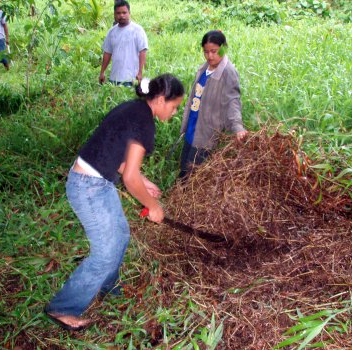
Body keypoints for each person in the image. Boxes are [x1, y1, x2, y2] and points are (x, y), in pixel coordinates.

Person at [45, 74, 184, 331]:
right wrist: (153, 207)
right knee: (105, 253)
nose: (174, 113)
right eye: (174, 107)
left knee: (120, 234)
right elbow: (129, 178)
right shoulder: (145, 124)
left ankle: (108, 286)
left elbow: (119, 158)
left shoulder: (134, 109)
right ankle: (63, 307)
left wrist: (144, 181)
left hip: (94, 179)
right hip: (89, 187)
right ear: (161, 100)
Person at [179, 30, 248, 178]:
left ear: (223, 48)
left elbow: (232, 101)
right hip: (192, 128)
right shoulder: (204, 68)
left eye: (214, 51)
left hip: (207, 133)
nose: (210, 56)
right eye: (206, 52)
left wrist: (237, 127)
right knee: (184, 168)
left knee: (193, 177)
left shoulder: (228, 72)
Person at [99, 0, 148, 87]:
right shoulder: (111, 32)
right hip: (114, 78)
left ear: (129, 13)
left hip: (131, 78)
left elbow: (142, 52)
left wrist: (140, 72)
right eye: (118, 13)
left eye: (124, 12)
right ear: (114, 14)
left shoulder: (137, 30)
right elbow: (107, 53)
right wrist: (102, 72)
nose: (121, 15)